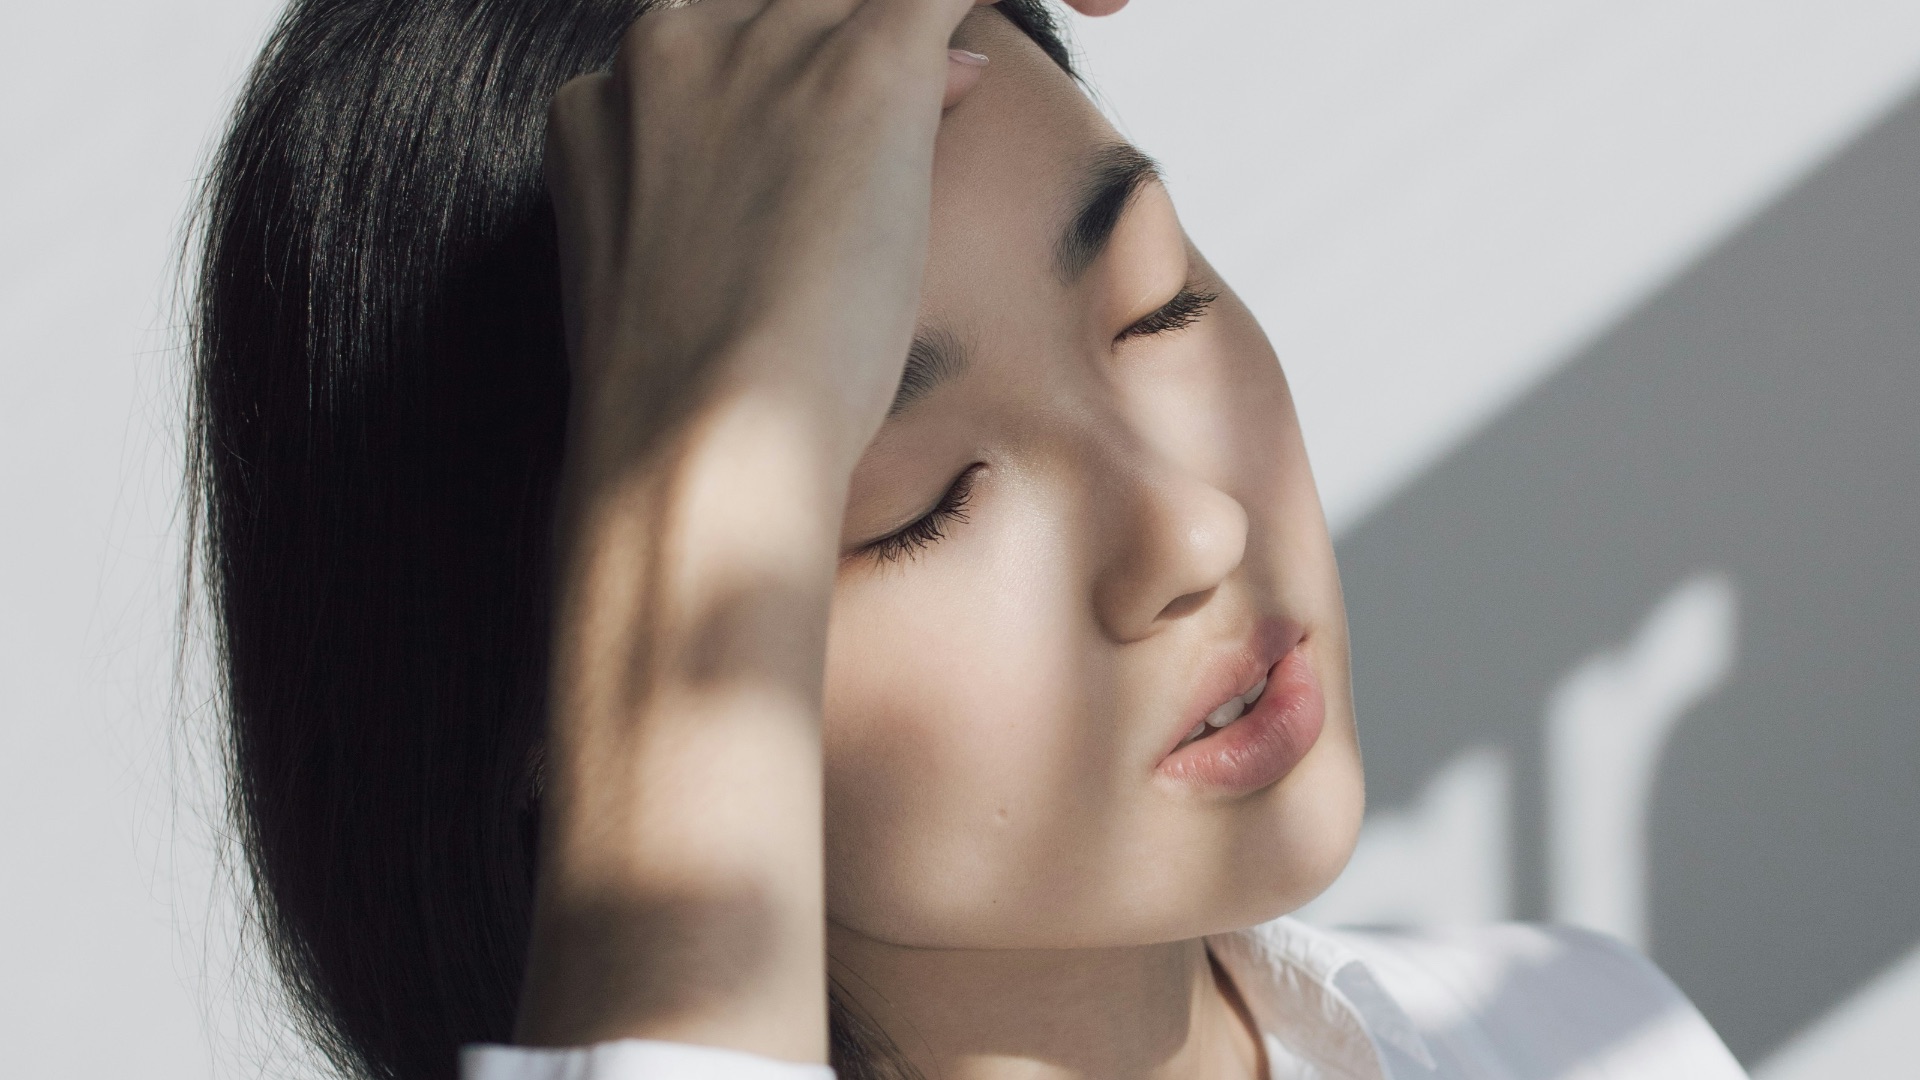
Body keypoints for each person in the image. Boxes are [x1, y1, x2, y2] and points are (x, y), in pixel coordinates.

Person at [188, 1, 1751, 1078]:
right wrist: (703, 461)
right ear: (559, 680)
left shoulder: (1584, 1033)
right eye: (917, 502)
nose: (1189, 528)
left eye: (1159, 302)